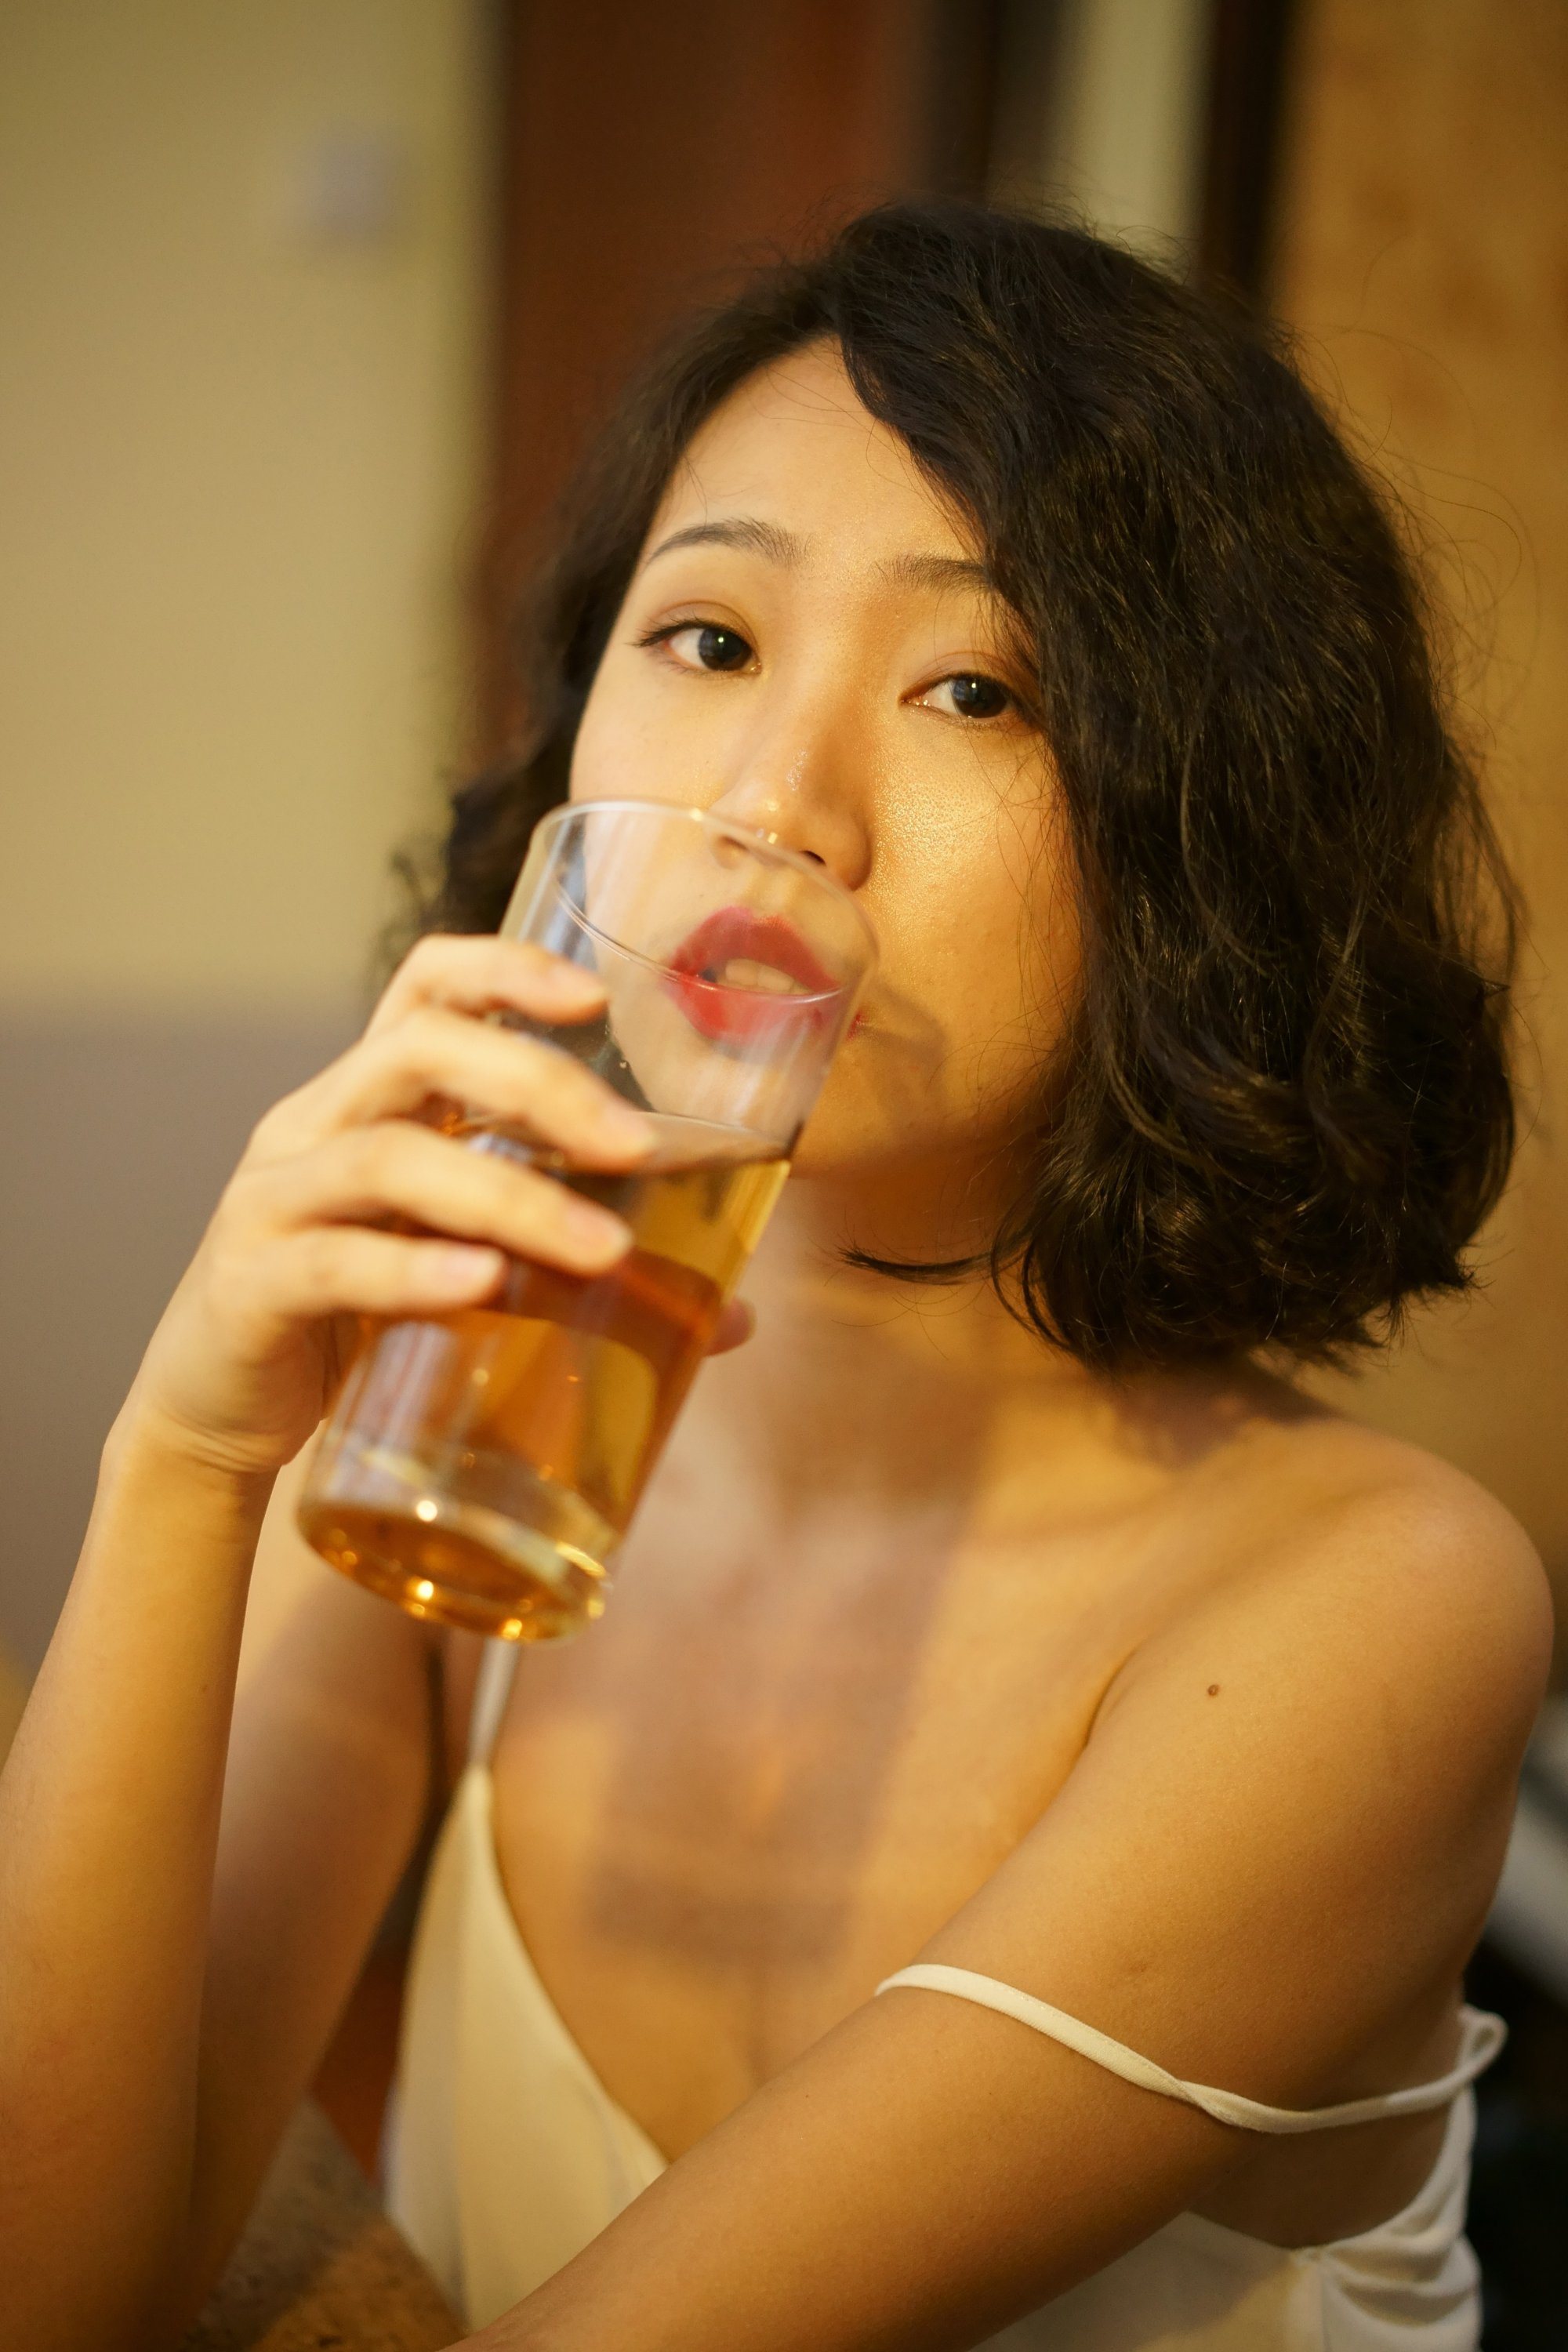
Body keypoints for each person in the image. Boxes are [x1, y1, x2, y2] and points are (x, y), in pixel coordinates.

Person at [0, 201, 1551, 2352]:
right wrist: (183, 1458)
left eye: (976, 689)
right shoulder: (486, 1412)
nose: (771, 807)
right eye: (710, 641)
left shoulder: (1377, 1613)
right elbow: (55, 2287)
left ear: (1205, 834)